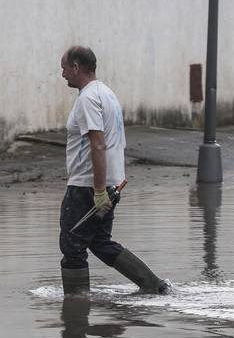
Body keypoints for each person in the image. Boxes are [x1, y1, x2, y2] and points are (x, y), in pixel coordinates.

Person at [58, 46, 168, 295]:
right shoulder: (106, 93)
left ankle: (75, 308)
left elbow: (98, 143)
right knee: (99, 242)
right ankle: (153, 285)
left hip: (88, 186)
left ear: (76, 67)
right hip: (112, 183)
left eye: (64, 68)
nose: (62, 74)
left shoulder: (87, 98)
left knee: (72, 246)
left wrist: (98, 192)